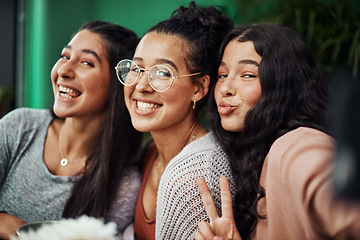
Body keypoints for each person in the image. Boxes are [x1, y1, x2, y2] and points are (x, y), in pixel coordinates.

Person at [194, 23, 360, 240]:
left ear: (283, 84)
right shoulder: (256, 157)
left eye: (247, 75)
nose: (225, 87)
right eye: (222, 74)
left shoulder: (296, 145)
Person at [0, 20, 142, 239]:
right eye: (65, 56)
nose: (64, 70)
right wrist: (14, 229)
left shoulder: (123, 183)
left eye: (86, 62)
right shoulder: (19, 126)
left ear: (118, 84)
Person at [115, 2, 234, 239]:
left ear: (199, 88)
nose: (141, 86)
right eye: (137, 68)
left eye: (163, 73)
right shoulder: (150, 151)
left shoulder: (197, 174)